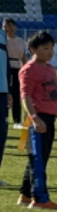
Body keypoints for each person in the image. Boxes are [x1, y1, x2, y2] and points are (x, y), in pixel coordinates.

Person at [17, 31, 57, 209]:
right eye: (45, 48)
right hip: (38, 119)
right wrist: (34, 118)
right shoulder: (29, 70)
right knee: (38, 160)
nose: (50, 52)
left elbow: (51, 95)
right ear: (33, 49)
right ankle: (40, 199)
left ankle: (25, 195)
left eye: (52, 48)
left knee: (39, 159)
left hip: (49, 118)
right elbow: (25, 96)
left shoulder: (50, 68)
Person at [4, 18, 27, 129]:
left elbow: (23, 57)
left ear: (14, 27)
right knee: (4, 95)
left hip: (17, 69)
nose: (6, 27)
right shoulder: (2, 40)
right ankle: (4, 118)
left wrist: (25, 70)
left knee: (17, 96)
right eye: (5, 25)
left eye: (9, 25)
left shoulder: (20, 41)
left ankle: (17, 121)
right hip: (4, 69)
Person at [0, 32, 9, 187]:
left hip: (2, 91)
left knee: (1, 135)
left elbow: (5, 63)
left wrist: (8, 90)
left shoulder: (1, 34)